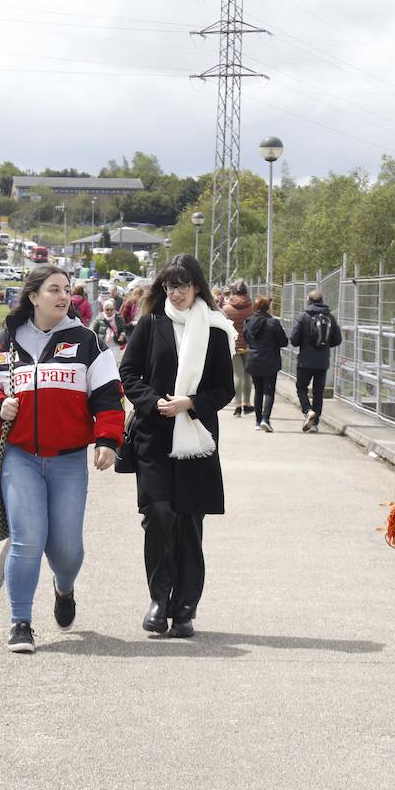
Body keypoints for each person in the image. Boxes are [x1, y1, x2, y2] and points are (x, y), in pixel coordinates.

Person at [0, 265, 125, 653]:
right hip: (20, 458)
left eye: (67, 290)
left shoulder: (86, 342)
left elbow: (108, 395)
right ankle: (21, 622)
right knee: (27, 538)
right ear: (33, 296)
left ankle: (64, 587)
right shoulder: (3, 344)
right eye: (54, 289)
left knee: (66, 548)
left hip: (69, 460)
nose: (63, 296)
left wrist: (107, 439)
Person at [119, 254, 235, 638]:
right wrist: (153, 402)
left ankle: (185, 607)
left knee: (188, 522)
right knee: (159, 514)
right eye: (169, 286)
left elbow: (224, 389)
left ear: (197, 286)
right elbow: (128, 372)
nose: (176, 293)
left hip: (196, 437)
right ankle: (158, 599)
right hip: (154, 435)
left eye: (183, 285)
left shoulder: (215, 330)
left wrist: (190, 403)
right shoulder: (151, 324)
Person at [290, 288, 340, 432]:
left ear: (309, 301)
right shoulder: (330, 317)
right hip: (322, 361)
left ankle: (307, 410)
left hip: (305, 361)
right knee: (318, 392)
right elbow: (337, 339)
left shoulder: (303, 316)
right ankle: (315, 424)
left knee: (301, 388)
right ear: (322, 301)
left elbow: (293, 340)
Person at [242, 295, 287, 432]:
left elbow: (246, 337)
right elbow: (283, 341)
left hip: (253, 360)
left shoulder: (249, 322)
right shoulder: (273, 323)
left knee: (258, 391)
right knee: (269, 391)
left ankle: (257, 421)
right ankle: (265, 419)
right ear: (267, 308)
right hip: (270, 361)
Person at [221, 280, 255, 417]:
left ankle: (237, 405)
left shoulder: (227, 309)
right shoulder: (251, 308)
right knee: (248, 375)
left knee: (237, 375)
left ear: (233, 291)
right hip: (249, 345)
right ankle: (247, 403)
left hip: (234, 345)